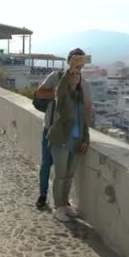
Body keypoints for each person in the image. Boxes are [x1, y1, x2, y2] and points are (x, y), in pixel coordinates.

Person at [34, 48, 92, 209]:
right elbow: (40, 93)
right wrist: (61, 91)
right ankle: (43, 195)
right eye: (76, 60)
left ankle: (62, 201)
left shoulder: (84, 84)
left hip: (72, 134)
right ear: (69, 61)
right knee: (47, 163)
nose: (79, 65)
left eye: (82, 61)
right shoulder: (56, 77)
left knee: (65, 172)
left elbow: (87, 110)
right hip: (51, 128)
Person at [48, 55, 90, 222]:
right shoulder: (63, 97)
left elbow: (84, 122)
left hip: (76, 142)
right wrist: (69, 70)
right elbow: (61, 89)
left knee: (69, 176)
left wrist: (86, 140)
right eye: (73, 75)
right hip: (61, 141)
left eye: (78, 75)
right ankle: (58, 207)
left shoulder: (79, 99)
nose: (76, 76)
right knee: (60, 175)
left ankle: (65, 204)